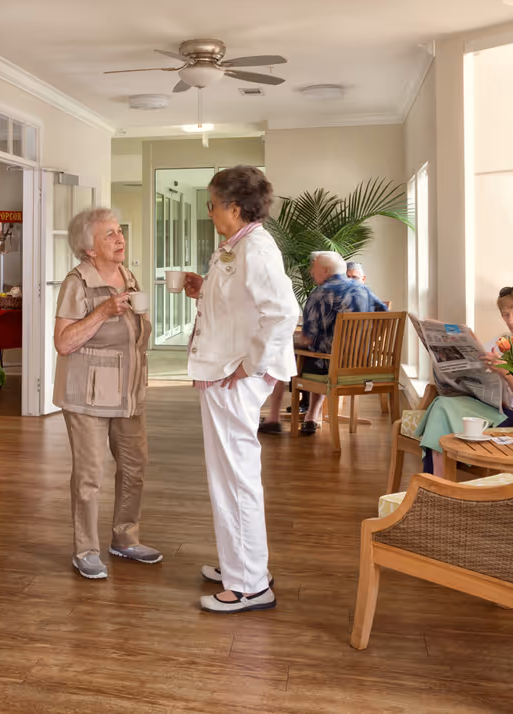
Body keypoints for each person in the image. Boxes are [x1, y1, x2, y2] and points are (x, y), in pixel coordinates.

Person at [181, 166, 299, 613]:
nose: (209, 212)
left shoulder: (256, 249)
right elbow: (244, 304)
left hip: (235, 374)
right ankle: (241, 562)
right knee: (227, 475)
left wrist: (251, 366)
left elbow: (283, 314)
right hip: (222, 370)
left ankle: (249, 584)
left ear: (233, 207)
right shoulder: (238, 246)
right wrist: (205, 289)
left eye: (212, 204)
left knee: (235, 477)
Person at [53, 207, 160, 580]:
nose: (120, 238)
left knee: (135, 469)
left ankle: (125, 538)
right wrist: (101, 312)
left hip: (129, 392)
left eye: (119, 231)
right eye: (109, 235)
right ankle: (85, 549)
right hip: (88, 394)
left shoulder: (127, 274)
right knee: (89, 476)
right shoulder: (76, 283)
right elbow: (64, 343)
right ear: (88, 249)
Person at [414, 285, 513, 480]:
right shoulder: (500, 342)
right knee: (443, 403)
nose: (511, 320)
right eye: (505, 314)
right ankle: (437, 482)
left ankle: (434, 481)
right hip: (489, 406)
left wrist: (506, 373)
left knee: (441, 408)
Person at [294, 251, 387, 435]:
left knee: (301, 355)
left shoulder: (318, 294)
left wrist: (292, 341)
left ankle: (307, 414)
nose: (312, 272)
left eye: (315, 268)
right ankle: (312, 415)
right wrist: (368, 341)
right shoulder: (364, 290)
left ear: (326, 270)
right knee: (322, 354)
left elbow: (308, 338)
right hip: (361, 365)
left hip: (328, 367)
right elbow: (383, 316)